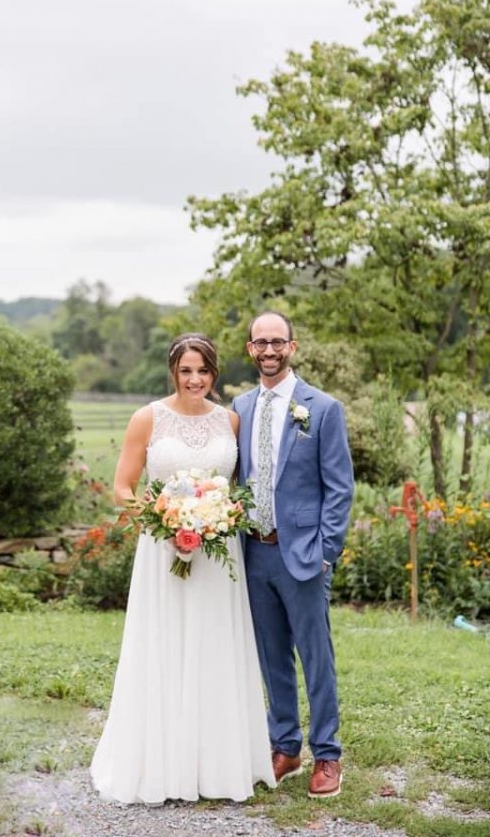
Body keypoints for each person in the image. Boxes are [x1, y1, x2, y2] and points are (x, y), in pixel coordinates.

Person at [90, 333, 276, 805]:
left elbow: (237, 489)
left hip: (218, 555)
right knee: (165, 644)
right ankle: (161, 763)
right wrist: (163, 521)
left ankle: (218, 764)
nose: (195, 379)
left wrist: (219, 518)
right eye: (186, 370)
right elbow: (122, 489)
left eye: (204, 370)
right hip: (162, 550)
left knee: (215, 645)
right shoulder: (147, 418)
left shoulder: (230, 420)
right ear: (173, 371)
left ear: (215, 373)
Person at [232, 311, 353, 799]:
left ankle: (329, 754)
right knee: (270, 656)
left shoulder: (321, 409)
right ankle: (285, 746)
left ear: (292, 347)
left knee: (315, 656)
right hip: (254, 553)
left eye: (276, 341)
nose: (268, 350)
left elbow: (339, 488)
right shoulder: (239, 407)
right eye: (260, 342)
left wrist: (326, 551)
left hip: (302, 554)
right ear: (249, 349)